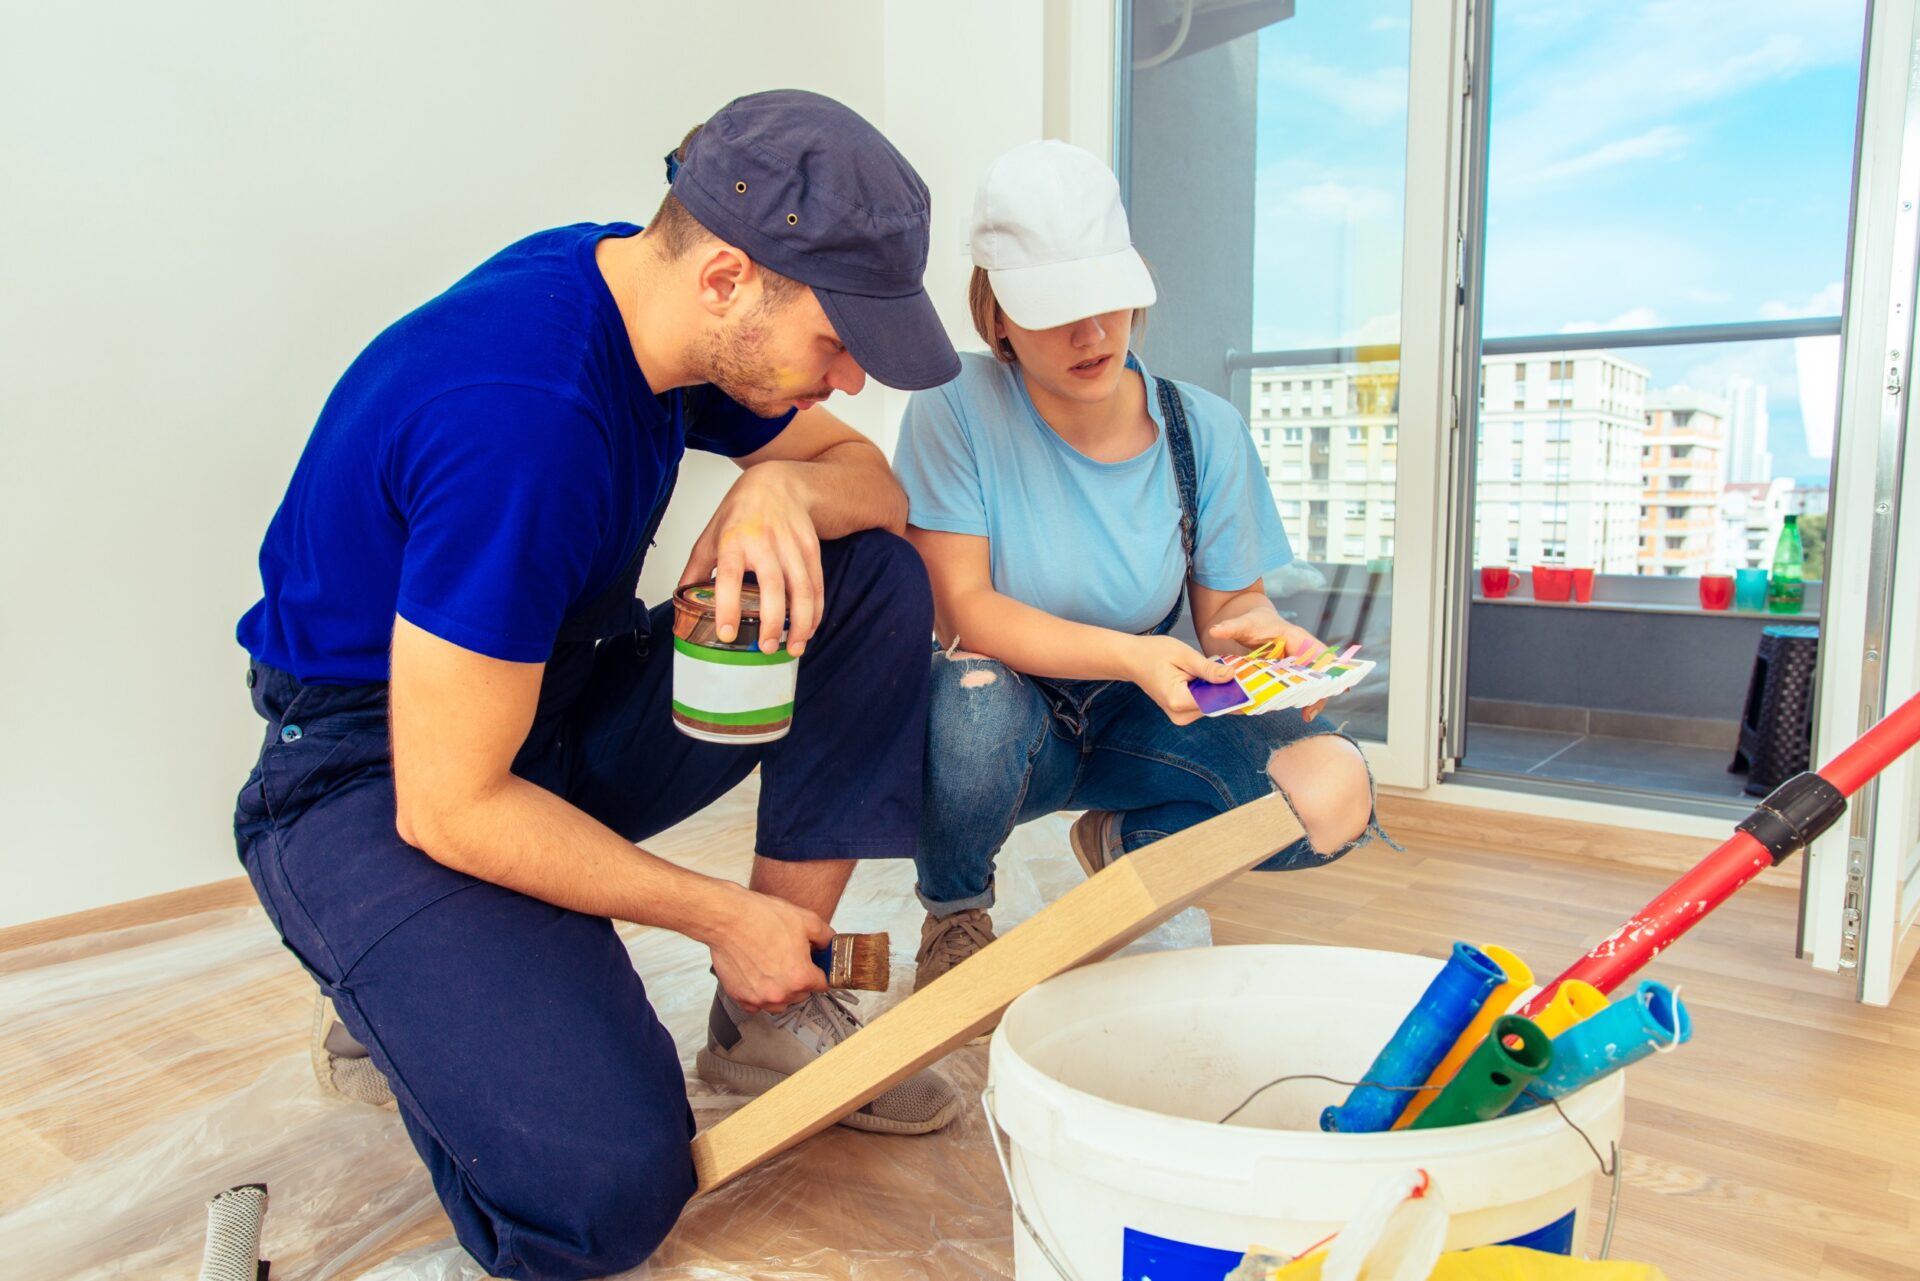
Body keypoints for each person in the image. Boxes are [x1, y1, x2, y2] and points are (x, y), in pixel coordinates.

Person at [233, 91, 962, 1281]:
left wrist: (778, 490)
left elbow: (872, 486)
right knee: (607, 1191)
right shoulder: (524, 415)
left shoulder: (641, 292)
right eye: (836, 344)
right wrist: (721, 915)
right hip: (370, 778)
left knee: (873, 575)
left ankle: (764, 1016)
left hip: (549, 704)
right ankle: (404, 986)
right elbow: (449, 804)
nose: (844, 383)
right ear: (729, 276)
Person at [894, 141, 1390, 993]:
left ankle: (1123, 845)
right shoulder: (955, 406)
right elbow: (964, 612)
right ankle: (955, 912)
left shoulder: (1206, 430)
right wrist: (1129, 653)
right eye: (1055, 310)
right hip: (1012, 717)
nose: (1092, 335)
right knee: (970, 699)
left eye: (1108, 300)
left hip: (1144, 716)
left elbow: (1232, 610)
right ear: (997, 312)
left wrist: (1262, 640)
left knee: (1334, 794)